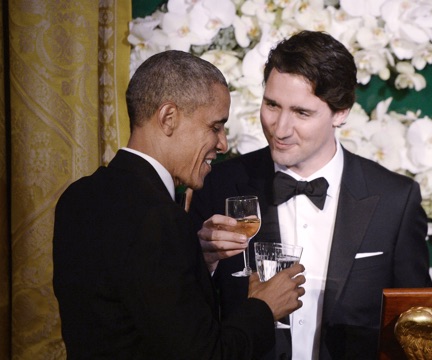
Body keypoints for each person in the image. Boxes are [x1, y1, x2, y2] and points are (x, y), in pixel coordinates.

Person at [189, 31, 432, 359]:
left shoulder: (395, 200)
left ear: (341, 112)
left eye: (302, 113)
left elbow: (420, 325)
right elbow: (185, 313)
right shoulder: (218, 185)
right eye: (272, 105)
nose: (280, 128)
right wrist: (204, 262)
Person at [52, 50, 306, 359]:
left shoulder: (78, 196)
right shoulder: (159, 217)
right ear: (168, 118)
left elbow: (131, 308)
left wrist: (197, 261)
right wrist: (264, 308)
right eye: (215, 126)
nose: (223, 143)